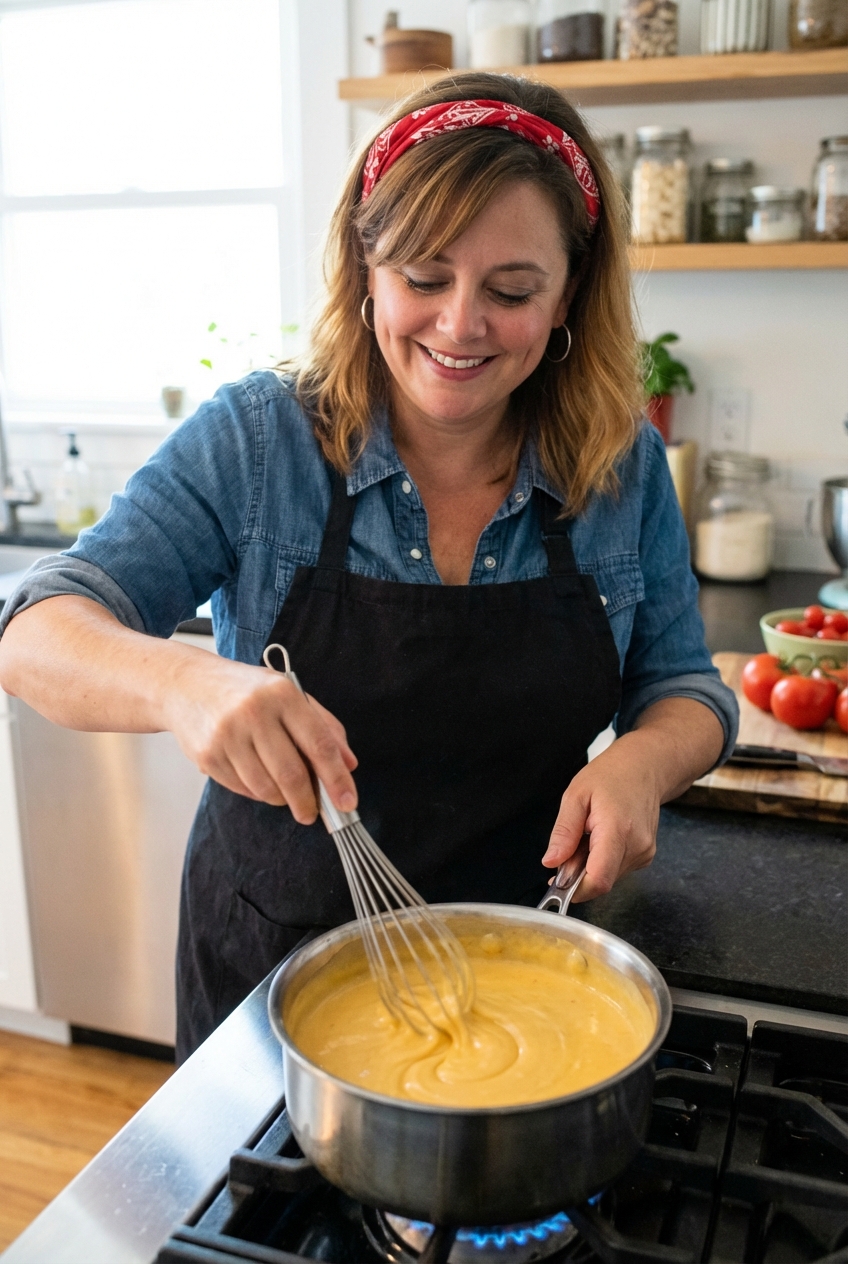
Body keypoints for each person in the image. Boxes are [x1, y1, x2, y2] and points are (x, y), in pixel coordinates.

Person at [0, 74, 737, 1062]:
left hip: (522, 958)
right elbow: (35, 627)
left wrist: (642, 761)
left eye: (510, 290)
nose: (459, 325)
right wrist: (186, 683)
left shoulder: (619, 464)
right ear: (365, 268)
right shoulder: (260, 444)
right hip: (268, 975)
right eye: (423, 278)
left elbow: (683, 685)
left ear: (567, 291)